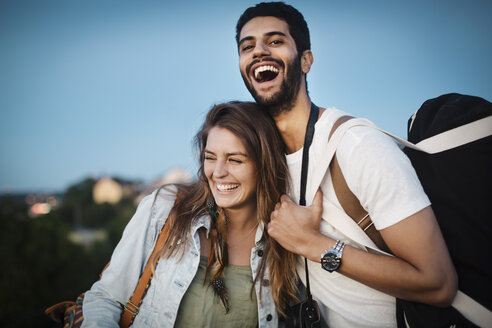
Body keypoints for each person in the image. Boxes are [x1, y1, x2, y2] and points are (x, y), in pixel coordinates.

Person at [235, 2, 458, 327]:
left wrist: (314, 244)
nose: (258, 51)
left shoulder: (358, 146)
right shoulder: (265, 160)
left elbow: (439, 283)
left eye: (275, 41)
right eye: (247, 46)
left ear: (306, 60)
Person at [82, 102, 299, 327]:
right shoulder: (165, 209)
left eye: (235, 160)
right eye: (210, 157)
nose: (218, 172)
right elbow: (106, 297)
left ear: (265, 164)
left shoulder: (283, 241)